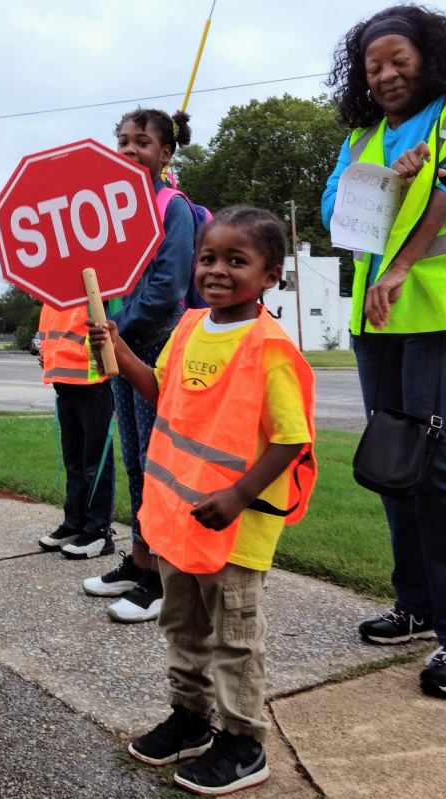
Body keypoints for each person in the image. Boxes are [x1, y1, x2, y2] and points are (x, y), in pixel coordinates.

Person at [88, 206, 316, 796]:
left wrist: (238, 494)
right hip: (179, 519)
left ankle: (243, 742)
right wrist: (119, 349)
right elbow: (161, 393)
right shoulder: (189, 327)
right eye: (208, 258)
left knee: (235, 636)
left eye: (236, 260)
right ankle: (190, 718)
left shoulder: (269, 346)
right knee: (182, 625)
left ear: (270, 276)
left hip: (234, 525)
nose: (217, 270)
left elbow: (291, 438)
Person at [322, 4, 446, 699]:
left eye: (399, 60)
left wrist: (402, 263)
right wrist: (390, 180)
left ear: (429, 57)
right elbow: (337, 214)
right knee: (394, 466)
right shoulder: (360, 140)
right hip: (379, 325)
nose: (386, 75)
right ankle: (418, 605)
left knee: (441, 467)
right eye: (373, 67)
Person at [83, 108, 195, 623]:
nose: (129, 150)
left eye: (142, 142)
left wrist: (116, 331)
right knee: (134, 459)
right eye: (123, 141)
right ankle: (140, 558)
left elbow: (167, 288)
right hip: (121, 348)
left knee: (159, 464)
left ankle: (165, 577)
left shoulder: (172, 207)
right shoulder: (113, 209)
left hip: (157, 348)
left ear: (165, 153)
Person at [36, 303, 116, 558]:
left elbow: (109, 322)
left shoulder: (91, 287)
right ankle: (75, 522)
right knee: (74, 461)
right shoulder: (51, 296)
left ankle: (98, 530)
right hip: (64, 382)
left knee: (95, 462)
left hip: (92, 381)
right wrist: (49, 356)